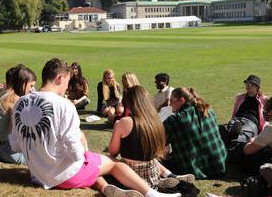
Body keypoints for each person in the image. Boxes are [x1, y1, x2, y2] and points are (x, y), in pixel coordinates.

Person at [9, 58, 180, 197]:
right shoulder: (64, 105)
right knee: (113, 164)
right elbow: (77, 155)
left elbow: (15, 145)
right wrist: (83, 144)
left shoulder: (20, 104)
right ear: (60, 78)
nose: (67, 87)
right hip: (62, 176)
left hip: (37, 175)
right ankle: (152, 194)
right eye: (67, 82)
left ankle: (106, 189)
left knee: (96, 165)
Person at [109, 85, 194, 188]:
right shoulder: (156, 121)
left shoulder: (123, 122)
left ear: (129, 103)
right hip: (152, 172)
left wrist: (116, 127)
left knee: (107, 160)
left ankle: (167, 177)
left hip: (131, 175)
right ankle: (170, 175)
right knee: (150, 159)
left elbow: (113, 153)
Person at [163, 87, 227, 179]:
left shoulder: (174, 120)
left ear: (181, 100)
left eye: (171, 101)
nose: (169, 104)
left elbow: (157, 144)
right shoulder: (209, 110)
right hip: (219, 167)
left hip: (193, 171)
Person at [0, 65, 35, 164]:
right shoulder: (14, 100)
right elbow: (15, 133)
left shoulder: (1, 92)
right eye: (31, 86)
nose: (32, 89)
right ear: (22, 83)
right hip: (7, 151)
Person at [224, 75, 269, 146]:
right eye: (247, 83)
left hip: (251, 122)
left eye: (251, 84)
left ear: (257, 87)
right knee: (231, 126)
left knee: (245, 134)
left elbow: (268, 116)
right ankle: (233, 139)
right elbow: (234, 111)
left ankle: (232, 140)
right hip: (237, 119)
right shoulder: (240, 97)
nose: (248, 85)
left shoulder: (264, 100)